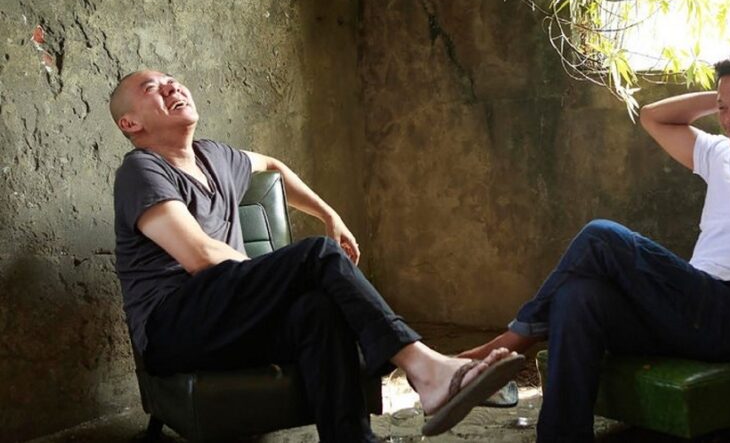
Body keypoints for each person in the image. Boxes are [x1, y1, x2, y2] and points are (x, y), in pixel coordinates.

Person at [460, 49, 730, 442]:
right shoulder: (721, 156)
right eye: (723, 108)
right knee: (578, 296)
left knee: (602, 236)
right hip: (692, 311)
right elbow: (654, 116)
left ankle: (503, 348)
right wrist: (725, 98)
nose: (729, 120)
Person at [109, 70, 525, 442]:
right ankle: (425, 368)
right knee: (313, 257)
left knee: (316, 309)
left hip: (227, 319)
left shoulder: (214, 156)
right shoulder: (142, 170)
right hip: (173, 328)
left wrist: (329, 214)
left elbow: (272, 166)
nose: (172, 86)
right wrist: (284, 274)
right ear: (131, 123)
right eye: (152, 88)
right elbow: (199, 256)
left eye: (171, 79)